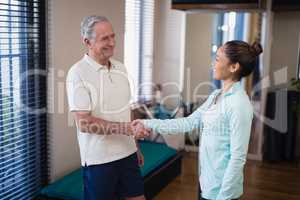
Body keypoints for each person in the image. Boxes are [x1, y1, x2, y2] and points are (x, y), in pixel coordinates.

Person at [132, 40, 263, 200]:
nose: (213, 63)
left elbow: (237, 157)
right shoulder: (216, 96)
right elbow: (187, 123)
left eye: (218, 59)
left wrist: (223, 197)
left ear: (234, 67)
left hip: (222, 192)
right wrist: (146, 123)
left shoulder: (239, 104)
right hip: (207, 183)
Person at [66, 15, 150, 200]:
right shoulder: (77, 73)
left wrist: (134, 144)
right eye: (105, 38)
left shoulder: (121, 68)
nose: (112, 43)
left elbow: (125, 110)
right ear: (87, 41)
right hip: (99, 161)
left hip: (127, 154)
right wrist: (126, 129)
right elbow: (84, 123)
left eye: (113, 36)